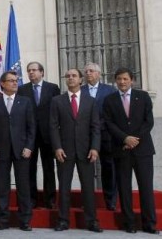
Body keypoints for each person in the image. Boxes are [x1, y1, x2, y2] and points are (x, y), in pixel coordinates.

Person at [103, 68, 159, 234]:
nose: (122, 82)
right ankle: (129, 224)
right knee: (124, 188)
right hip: (121, 150)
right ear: (115, 81)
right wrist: (124, 139)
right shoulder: (109, 100)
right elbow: (108, 123)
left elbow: (148, 122)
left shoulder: (143, 97)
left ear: (132, 80)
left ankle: (149, 224)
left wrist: (134, 140)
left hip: (143, 151)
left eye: (125, 79)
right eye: (119, 79)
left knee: (146, 187)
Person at [50, 69, 102, 233]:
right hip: (64, 151)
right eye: (68, 76)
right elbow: (53, 127)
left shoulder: (90, 101)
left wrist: (95, 147)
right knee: (64, 187)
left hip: (86, 151)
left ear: (81, 80)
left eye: (74, 76)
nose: (70, 78)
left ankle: (91, 221)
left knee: (88, 187)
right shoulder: (57, 101)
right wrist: (57, 147)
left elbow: (95, 127)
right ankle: (63, 220)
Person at [0, 71, 35, 231]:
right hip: (1, 151)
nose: (15, 83)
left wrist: (29, 146)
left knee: (23, 186)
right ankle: (3, 219)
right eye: (11, 81)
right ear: (2, 84)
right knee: (2, 186)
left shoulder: (25, 102)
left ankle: (25, 220)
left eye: (16, 80)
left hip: (22, 150)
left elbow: (31, 127)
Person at [18, 61, 60, 209]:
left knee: (49, 168)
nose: (31, 73)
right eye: (29, 70)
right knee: (29, 168)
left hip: (47, 135)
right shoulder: (22, 89)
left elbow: (56, 112)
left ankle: (50, 199)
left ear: (42, 72)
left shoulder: (53, 88)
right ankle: (32, 199)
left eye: (34, 70)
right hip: (29, 136)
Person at [81, 62, 117, 211]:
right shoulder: (80, 90)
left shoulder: (109, 90)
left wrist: (100, 125)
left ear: (99, 74)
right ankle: (88, 201)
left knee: (109, 168)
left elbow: (113, 112)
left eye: (91, 71)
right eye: (86, 71)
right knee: (86, 170)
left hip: (106, 134)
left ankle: (111, 200)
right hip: (85, 136)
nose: (88, 73)